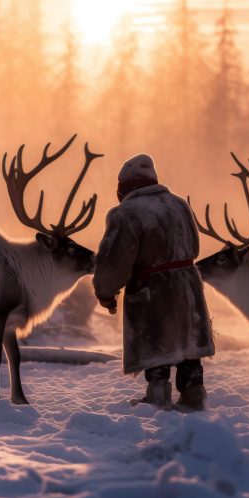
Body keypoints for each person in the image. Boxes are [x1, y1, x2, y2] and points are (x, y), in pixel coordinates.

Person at [92, 154, 214, 410]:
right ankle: (194, 394)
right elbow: (195, 245)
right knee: (187, 343)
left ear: (124, 188)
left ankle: (158, 395)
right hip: (188, 286)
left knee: (157, 343)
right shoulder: (179, 205)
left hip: (152, 290)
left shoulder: (126, 213)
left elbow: (114, 260)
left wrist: (106, 292)